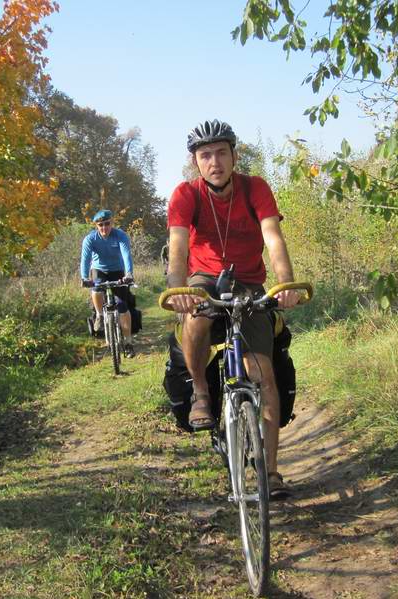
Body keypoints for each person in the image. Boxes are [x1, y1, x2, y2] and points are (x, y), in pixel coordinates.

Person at [165, 119, 301, 499]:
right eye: (205, 155)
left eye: (221, 153)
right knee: (194, 316)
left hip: (249, 284)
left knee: (264, 375)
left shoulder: (255, 188)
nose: (215, 161)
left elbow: (273, 238)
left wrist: (285, 283)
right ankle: (202, 392)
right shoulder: (185, 194)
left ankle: (270, 471)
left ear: (234, 155)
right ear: (196, 162)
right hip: (203, 279)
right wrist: (177, 289)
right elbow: (177, 246)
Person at [80, 209, 136, 358]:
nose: (104, 228)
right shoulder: (90, 239)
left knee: (122, 306)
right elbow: (85, 259)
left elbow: (126, 255)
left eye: (107, 224)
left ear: (112, 222)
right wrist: (84, 277)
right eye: (100, 225)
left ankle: (128, 343)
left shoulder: (120, 236)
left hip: (118, 270)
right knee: (96, 287)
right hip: (99, 270)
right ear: (96, 226)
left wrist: (129, 274)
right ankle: (99, 315)